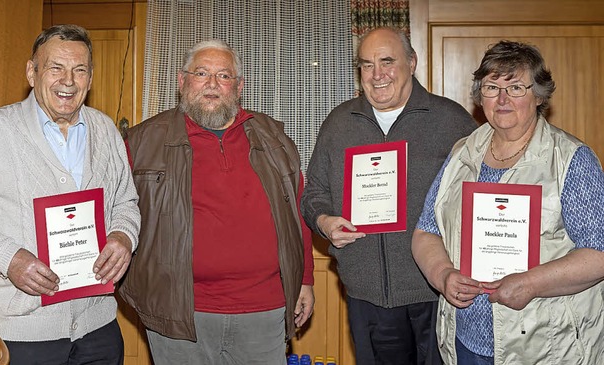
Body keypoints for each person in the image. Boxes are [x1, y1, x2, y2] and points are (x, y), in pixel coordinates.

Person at [118, 39, 315, 365]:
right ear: (182, 82)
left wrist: (305, 278)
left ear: (239, 87)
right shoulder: (141, 142)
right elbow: (115, 212)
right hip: (178, 313)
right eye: (201, 73)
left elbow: (296, 213)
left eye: (224, 76)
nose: (212, 84)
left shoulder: (274, 139)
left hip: (264, 311)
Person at [412, 40, 604, 364]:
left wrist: (530, 283)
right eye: (492, 86)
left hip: (545, 348)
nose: (502, 99)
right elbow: (426, 231)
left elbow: (599, 253)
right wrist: (443, 274)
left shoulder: (570, 159)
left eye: (516, 87)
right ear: (479, 96)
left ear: (539, 95)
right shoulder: (462, 153)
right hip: (465, 344)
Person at [0, 24, 140, 363]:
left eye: (79, 69)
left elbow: (126, 202)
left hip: (99, 326)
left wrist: (123, 236)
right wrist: (9, 259)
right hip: (26, 331)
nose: (68, 80)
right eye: (55, 67)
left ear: (90, 77)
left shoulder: (106, 130)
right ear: (32, 72)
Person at [301, 27, 477, 365]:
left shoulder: (452, 121)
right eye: (367, 65)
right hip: (367, 295)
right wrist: (325, 222)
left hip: (437, 291)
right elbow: (314, 194)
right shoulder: (339, 123)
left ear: (411, 63)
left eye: (387, 61)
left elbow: (484, 190)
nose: (377, 75)